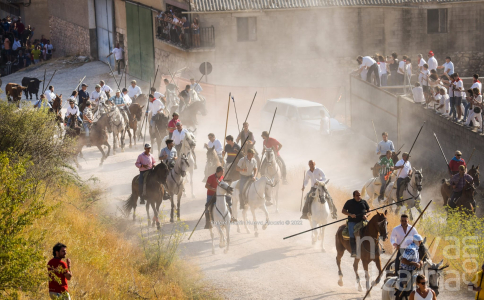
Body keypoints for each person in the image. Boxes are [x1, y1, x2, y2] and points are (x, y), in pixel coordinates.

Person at [342, 190, 370, 257]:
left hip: (363, 221)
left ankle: (378, 247)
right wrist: (350, 214)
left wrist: (366, 215)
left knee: (374, 228)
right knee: (352, 234)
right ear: (354, 196)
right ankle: (353, 251)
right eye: (357, 195)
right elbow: (343, 211)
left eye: (359, 195)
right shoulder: (349, 202)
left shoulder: (364, 202)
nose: (359, 196)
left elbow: (369, 210)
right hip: (352, 222)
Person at [396, 234, 424, 300]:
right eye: (420, 241)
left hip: (413, 272)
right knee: (402, 289)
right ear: (418, 241)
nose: (421, 243)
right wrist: (414, 263)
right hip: (405, 272)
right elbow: (403, 260)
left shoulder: (416, 249)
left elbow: (414, 259)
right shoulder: (411, 249)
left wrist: (420, 261)